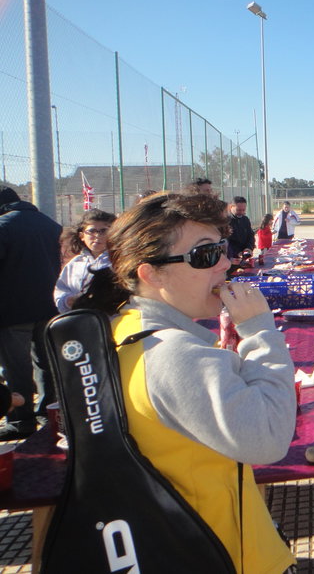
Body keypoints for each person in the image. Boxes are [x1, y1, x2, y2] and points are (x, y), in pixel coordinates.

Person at [75, 192, 297, 574]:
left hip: (175, 541)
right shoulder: (172, 353)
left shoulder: (121, 326)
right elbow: (269, 437)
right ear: (150, 273)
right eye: (205, 254)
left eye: (222, 249)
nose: (225, 263)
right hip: (221, 552)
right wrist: (260, 330)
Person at [0, 187, 62, 440]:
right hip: (48, 306)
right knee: (45, 364)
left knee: (16, 369)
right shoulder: (49, 224)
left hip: (12, 310)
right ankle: (48, 415)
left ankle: (20, 420)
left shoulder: (3, 226)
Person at [54, 209, 116, 313]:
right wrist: (68, 301)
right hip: (80, 317)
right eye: (92, 231)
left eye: (103, 231)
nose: (97, 236)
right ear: (82, 236)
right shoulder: (75, 264)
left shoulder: (119, 262)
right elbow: (60, 291)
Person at [226, 196, 255, 262]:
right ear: (231, 207)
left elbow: (250, 236)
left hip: (243, 258)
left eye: (243, 210)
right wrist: (236, 253)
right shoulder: (225, 221)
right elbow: (225, 241)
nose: (241, 212)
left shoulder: (245, 219)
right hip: (231, 259)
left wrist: (249, 248)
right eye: (238, 210)